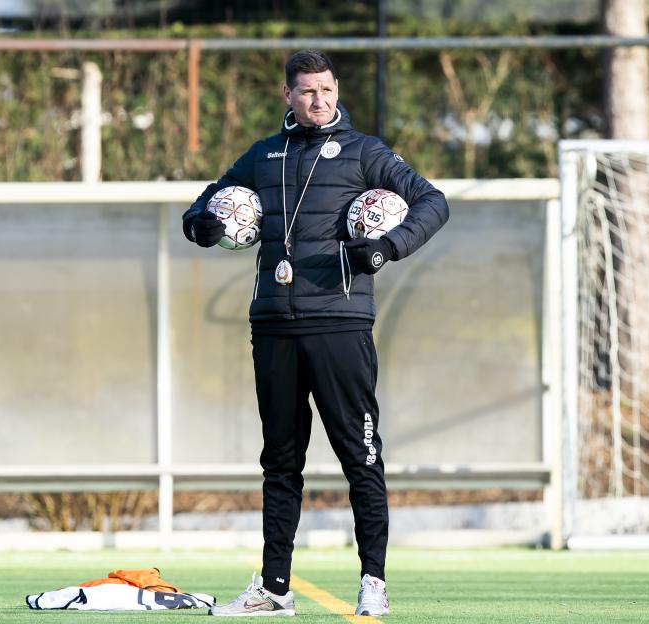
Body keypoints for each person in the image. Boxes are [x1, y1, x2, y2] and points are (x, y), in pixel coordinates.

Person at [183, 50, 449, 617]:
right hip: (273, 325)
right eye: (307, 91)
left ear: (336, 90)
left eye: (327, 90)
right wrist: (204, 225)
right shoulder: (263, 155)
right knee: (280, 461)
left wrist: (387, 245)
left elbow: (433, 201)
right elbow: (201, 208)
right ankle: (275, 589)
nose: (319, 100)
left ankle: (373, 583)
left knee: (361, 455)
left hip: (341, 323)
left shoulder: (364, 152)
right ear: (287, 95)